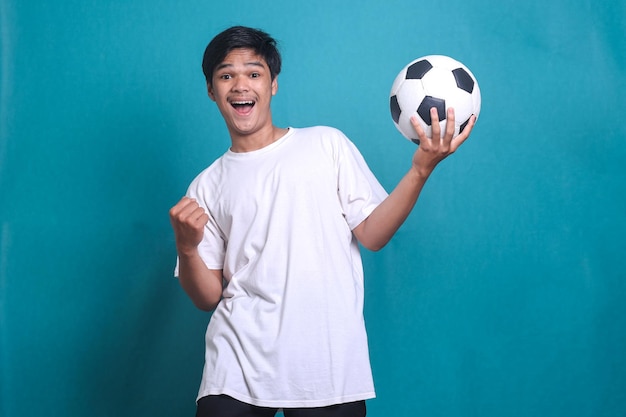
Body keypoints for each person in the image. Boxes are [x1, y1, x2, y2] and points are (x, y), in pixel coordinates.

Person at [169, 26, 475, 417]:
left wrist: (420, 169)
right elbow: (207, 297)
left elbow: (373, 234)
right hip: (236, 363)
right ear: (212, 90)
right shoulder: (206, 185)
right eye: (226, 75)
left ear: (273, 84)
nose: (240, 85)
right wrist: (186, 246)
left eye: (254, 73)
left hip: (325, 364)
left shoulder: (325, 144)